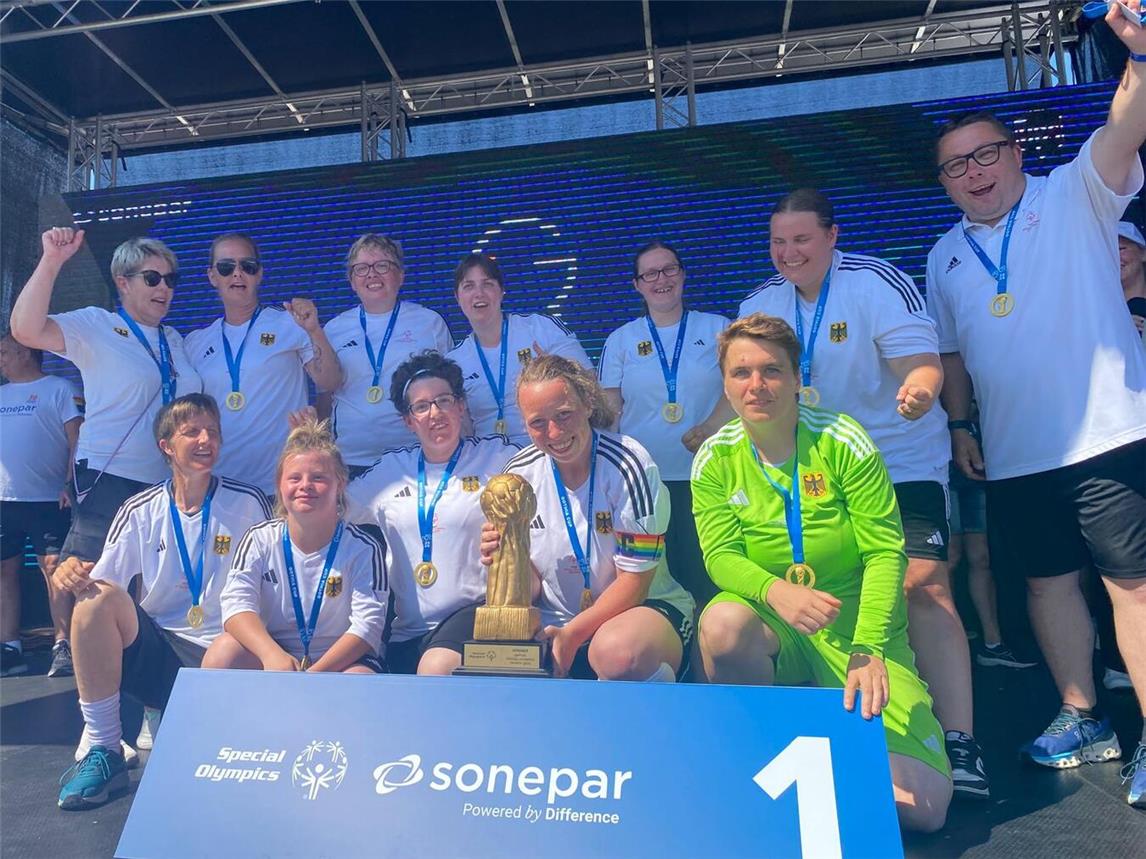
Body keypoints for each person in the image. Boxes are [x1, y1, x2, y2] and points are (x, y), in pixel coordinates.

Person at [925, 2, 1146, 808]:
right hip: (1017, 454)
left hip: (1110, 437)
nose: (974, 172)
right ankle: (1083, 716)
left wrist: (1139, 55)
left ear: (1016, 153)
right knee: (1048, 587)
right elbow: (953, 353)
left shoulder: (1077, 192)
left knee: (1134, 587)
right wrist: (960, 425)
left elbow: (1125, 126)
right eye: (956, 165)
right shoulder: (943, 255)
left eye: (986, 153)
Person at [738, 189, 987, 798]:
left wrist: (921, 391)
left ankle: (959, 740)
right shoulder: (759, 303)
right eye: (778, 241)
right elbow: (745, 381)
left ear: (832, 236)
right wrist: (704, 428)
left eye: (801, 239)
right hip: (819, 474)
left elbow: (923, 363)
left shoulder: (876, 283)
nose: (789, 252)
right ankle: (842, 730)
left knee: (921, 584)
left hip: (899, 463)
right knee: (832, 587)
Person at [692, 314, 952, 833]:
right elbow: (720, 556)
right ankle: (761, 747)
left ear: (797, 378)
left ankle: (813, 754)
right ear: (725, 383)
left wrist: (868, 647)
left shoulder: (842, 439)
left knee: (923, 808)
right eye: (741, 373)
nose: (756, 385)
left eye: (772, 370)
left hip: (855, 627)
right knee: (722, 625)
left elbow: (885, 554)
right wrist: (775, 591)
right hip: (778, 621)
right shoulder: (714, 458)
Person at [52, 394, 271, 809]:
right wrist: (73, 573)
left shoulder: (248, 502)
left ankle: (181, 721)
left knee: (213, 780)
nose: (206, 440)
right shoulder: (139, 509)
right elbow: (102, 586)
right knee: (94, 601)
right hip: (162, 651)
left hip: (230, 653)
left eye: (213, 431)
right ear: (166, 446)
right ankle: (104, 748)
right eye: (192, 432)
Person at [482, 355, 695, 680]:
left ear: (588, 404)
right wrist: (506, 559)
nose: (554, 432)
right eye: (537, 422)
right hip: (555, 624)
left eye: (564, 414)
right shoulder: (518, 475)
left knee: (616, 653)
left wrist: (573, 634)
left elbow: (635, 583)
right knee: (495, 654)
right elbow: (533, 585)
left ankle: (660, 701)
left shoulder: (629, 464)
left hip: (642, 609)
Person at [9, 228, 202, 565]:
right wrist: (52, 261)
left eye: (171, 280)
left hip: (166, 481)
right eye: (152, 278)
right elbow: (25, 329)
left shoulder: (174, 339)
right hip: (109, 477)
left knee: (150, 582)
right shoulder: (97, 325)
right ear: (123, 282)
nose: (164, 288)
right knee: (96, 579)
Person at [346, 352, 519, 674]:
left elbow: (551, 486)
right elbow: (329, 509)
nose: (435, 413)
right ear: (408, 420)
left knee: (435, 669)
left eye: (444, 401)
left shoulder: (498, 457)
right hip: (407, 631)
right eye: (422, 406)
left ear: (461, 405)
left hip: (475, 616)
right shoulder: (390, 470)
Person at [598, 241, 729, 608]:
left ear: (683, 274)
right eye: (650, 274)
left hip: (708, 475)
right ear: (637, 285)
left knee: (709, 575)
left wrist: (709, 427)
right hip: (644, 482)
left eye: (670, 269)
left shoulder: (718, 328)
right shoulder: (621, 340)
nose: (661, 279)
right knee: (654, 583)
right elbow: (609, 411)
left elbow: (737, 389)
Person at [205, 418, 388, 673]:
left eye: (318, 477)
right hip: (277, 654)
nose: (305, 486)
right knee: (223, 652)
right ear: (279, 485)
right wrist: (271, 654)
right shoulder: (258, 539)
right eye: (294, 478)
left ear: (340, 485)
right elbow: (236, 606)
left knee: (360, 677)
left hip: (341, 659)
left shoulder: (363, 547)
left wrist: (314, 675)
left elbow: (368, 625)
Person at [185, 233, 343, 494]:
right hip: (221, 485)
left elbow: (331, 381)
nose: (237, 273)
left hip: (281, 485)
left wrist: (315, 331)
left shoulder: (290, 323)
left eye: (247, 266)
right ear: (212, 276)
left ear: (259, 274)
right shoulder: (195, 342)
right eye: (226, 267)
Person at [321, 234, 452, 476]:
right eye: (361, 268)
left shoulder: (430, 322)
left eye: (382, 266)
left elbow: (450, 389)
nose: (371, 274)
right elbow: (326, 395)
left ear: (400, 275)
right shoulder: (333, 329)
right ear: (352, 281)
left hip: (418, 454)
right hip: (351, 459)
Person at [0, 334, 82, 677]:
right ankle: (10, 646)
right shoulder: (1, 393)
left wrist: (70, 484)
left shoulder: (59, 389)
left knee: (54, 569)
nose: (1, 359)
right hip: (5, 500)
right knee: (4, 569)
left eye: (4, 352)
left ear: (25, 353)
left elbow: (77, 440)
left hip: (49, 498)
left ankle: (63, 644)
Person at [448, 253, 593, 445]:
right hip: (488, 457)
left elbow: (590, 386)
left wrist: (558, 373)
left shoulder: (542, 328)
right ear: (457, 297)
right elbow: (461, 429)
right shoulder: (454, 362)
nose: (479, 293)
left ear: (502, 291)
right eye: (469, 286)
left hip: (551, 447)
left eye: (488, 284)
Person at [947, 459, 1034, 670]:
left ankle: (993, 643)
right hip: (940, 471)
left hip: (975, 471)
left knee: (981, 557)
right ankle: (947, 640)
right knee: (949, 557)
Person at [1117, 221, 1146, 339]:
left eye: (1121, 249)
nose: (1115, 256)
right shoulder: (1096, 309)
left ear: (1143, 253)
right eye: (1108, 250)